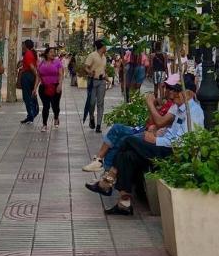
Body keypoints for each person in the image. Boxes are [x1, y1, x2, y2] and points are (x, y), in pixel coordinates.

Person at [86, 73, 204, 215]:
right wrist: (161, 131)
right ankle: (124, 203)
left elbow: (184, 142)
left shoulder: (194, 112)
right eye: (173, 90)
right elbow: (169, 128)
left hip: (174, 152)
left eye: (177, 90)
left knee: (129, 140)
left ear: (189, 94)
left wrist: (156, 140)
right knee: (128, 156)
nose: (173, 94)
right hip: (165, 145)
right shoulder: (178, 107)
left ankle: (109, 178)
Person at [82, 73, 179, 173]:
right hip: (146, 130)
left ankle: (107, 171)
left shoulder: (175, 107)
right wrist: (154, 107)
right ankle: (99, 161)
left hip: (153, 136)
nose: (168, 90)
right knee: (117, 128)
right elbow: (151, 122)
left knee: (123, 139)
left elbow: (159, 123)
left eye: (172, 89)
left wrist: (150, 104)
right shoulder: (168, 103)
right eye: (167, 87)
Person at [37, 46, 63, 131]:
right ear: (47, 54)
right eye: (51, 52)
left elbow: (61, 74)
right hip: (43, 87)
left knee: (55, 105)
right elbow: (38, 76)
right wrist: (34, 88)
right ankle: (44, 124)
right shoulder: (41, 63)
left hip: (55, 86)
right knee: (46, 106)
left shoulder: (57, 62)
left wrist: (60, 85)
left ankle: (56, 117)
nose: (53, 53)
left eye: (54, 52)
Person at [84, 39, 107, 132]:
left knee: (100, 103)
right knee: (92, 102)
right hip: (92, 81)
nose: (106, 47)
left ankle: (98, 125)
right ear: (102, 46)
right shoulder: (92, 55)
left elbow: (103, 69)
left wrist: (107, 78)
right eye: (105, 46)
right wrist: (90, 72)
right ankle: (92, 117)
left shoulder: (104, 57)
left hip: (102, 81)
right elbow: (86, 66)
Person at [20, 39, 40, 124]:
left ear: (26, 46)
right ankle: (31, 114)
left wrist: (36, 76)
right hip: (30, 76)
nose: (22, 46)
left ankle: (31, 115)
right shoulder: (32, 53)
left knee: (27, 97)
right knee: (30, 95)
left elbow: (32, 67)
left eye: (23, 44)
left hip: (27, 76)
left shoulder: (28, 54)